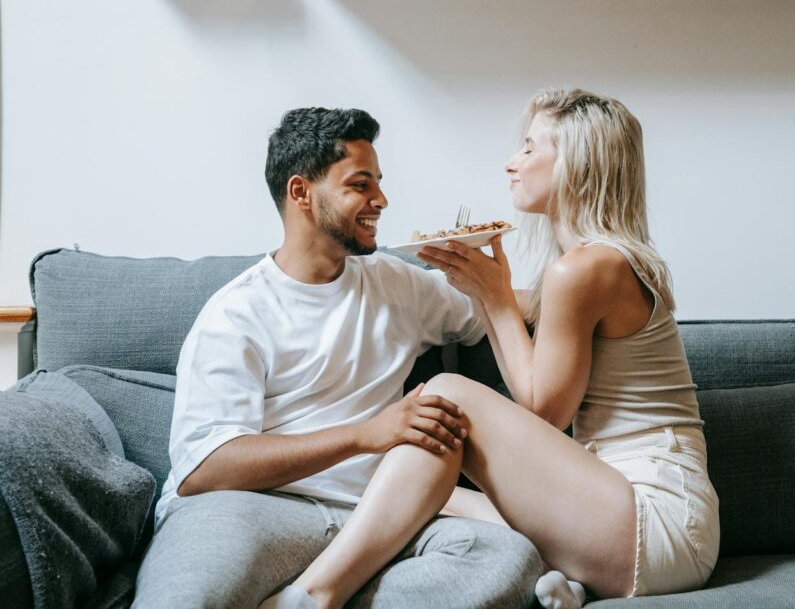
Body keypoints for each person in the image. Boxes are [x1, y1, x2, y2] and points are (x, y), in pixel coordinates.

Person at [273, 89, 720, 609]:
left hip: (659, 524)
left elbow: (546, 413)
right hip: (620, 510)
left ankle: (311, 596)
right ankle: (567, 579)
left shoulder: (587, 269)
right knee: (425, 493)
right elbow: (531, 380)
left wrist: (497, 298)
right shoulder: (588, 267)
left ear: (576, 163)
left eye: (530, 149)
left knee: (443, 397)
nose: (513, 162)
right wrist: (487, 294)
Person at [132, 107, 543, 608]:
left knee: (505, 559)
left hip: (375, 523)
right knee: (189, 596)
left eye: (380, 184)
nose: (382, 201)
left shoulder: (398, 283)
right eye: (361, 185)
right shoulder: (237, 314)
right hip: (257, 510)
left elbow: (500, 308)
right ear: (301, 192)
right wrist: (363, 435)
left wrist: (590, 285)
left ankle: (312, 596)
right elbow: (206, 469)